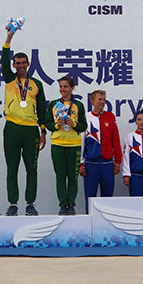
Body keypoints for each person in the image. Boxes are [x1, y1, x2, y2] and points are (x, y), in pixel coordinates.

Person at [1, 26, 47, 216]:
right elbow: (3, 60)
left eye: (23, 62)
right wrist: (8, 38)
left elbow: (42, 109)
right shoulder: (9, 78)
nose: (20, 65)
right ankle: (13, 203)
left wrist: (43, 131)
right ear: (13, 65)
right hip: (12, 128)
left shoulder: (37, 84)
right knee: (12, 169)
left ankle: (30, 203)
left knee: (31, 169)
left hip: (30, 130)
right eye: (17, 63)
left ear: (28, 64)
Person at [46, 76, 87, 215]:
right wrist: (57, 125)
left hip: (74, 145)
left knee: (73, 177)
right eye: (61, 86)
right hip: (57, 144)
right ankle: (63, 204)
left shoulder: (78, 105)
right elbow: (48, 123)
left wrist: (73, 124)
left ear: (72, 88)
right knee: (60, 176)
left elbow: (83, 126)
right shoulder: (54, 104)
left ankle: (71, 204)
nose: (62, 89)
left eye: (65, 86)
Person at [79, 90, 122, 213]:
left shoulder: (110, 117)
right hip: (91, 164)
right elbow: (81, 142)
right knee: (90, 198)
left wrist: (117, 161)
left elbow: (115, 140)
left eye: (104, 99)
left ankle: (107, 221)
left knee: (107, 199)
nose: (103, 102)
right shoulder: (86, 118)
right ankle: (89, 219)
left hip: (107, 164)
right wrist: (81, 163)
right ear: (92, 101)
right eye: (100, 99)